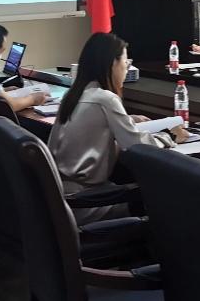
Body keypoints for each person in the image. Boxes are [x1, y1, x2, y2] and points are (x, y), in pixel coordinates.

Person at [49, 33, 185, 220]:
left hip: (61, 197)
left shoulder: (73, 94)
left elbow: (95, 127)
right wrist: (170, 136)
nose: (126, 68)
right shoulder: (106, 99)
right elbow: (137, 146)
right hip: (87, 202)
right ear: (112, 63)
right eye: (125, 62)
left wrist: (128, 120)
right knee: (167, 197)